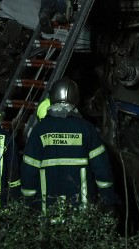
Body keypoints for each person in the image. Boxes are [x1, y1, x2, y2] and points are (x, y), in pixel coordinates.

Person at [20, 78, 119, 218]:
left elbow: (28, 172)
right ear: (76, 99)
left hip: (47, 214)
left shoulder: (39, 130)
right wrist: (108, 201)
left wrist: (27, 205)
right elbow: (103, 170)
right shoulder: (87, 129)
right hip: (83, 215)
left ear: (52, 97)